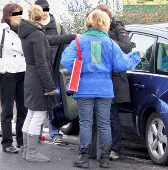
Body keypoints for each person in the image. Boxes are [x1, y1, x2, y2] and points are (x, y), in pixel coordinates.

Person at [61, 9, 143, 168]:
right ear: (105, 24)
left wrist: (80, 68)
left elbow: (66, 59)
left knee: (85, 123)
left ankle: (84, 159)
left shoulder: (79, 42)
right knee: (105, 123)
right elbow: (121, 64)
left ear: (89, 22)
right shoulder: (110, 43)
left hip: (84, 87)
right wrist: (136, 55)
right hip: (105, 88)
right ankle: (104, 159)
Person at [18, 5, 75, 162]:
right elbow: (41, 62)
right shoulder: (37, 35)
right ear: (42, 17)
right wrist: (50, 86)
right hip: (39, 80)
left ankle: (27, 150)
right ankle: (32, 152)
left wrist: (71, 37)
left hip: (31, 77)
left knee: (30, 114)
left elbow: (50, 40)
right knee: (37, 115)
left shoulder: (27, 33)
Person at [95, 4, 132, 160]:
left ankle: (115, 149)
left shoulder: (118, 29)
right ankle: (99, 148)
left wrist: (106, 41)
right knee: (99, 116)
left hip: (115, 80)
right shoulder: (96, 32)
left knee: (112, 116)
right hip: (100, 77)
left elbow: (127, 47)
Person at [35, 0, 64, 145]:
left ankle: (55, 133)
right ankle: (36, 134)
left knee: (55, 103)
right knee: (36, 104)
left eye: (46, 9)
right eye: (41, 9)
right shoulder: (31, 27)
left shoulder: (58, 27)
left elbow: (62, 50)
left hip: (53, 73)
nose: (44, 12)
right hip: (36, 74)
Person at [0, 3, 27, 154]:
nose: (20, 16)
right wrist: (2, 67)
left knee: (23, 108)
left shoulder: (24, 30)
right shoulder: (2, 30)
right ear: (8, 15)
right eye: (17, 14)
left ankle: (22, 141)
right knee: (7, 109)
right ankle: (7, 142)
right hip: (8, 74)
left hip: (23, 72)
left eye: (21, 13)